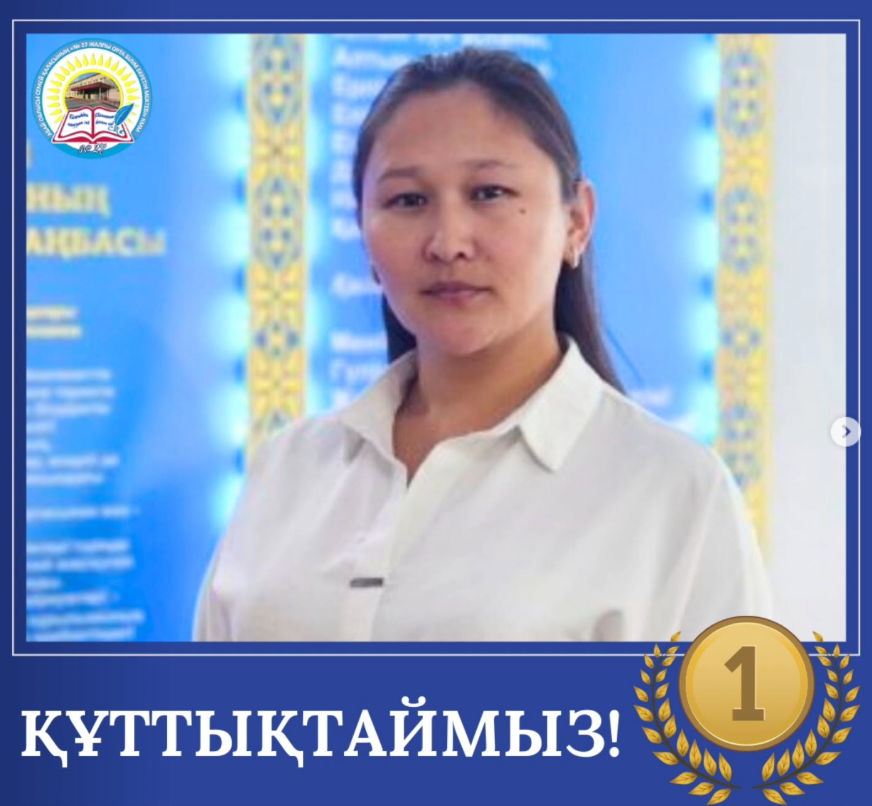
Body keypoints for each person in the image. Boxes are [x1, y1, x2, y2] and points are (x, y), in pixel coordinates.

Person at [194, 48, 771, 642]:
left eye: (489, 192)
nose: (448, 242)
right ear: (364, 234)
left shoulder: (673, 491)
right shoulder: (288, 469)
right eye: (407, 200)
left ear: (577, 221)